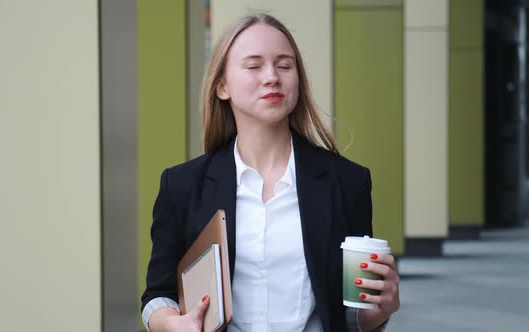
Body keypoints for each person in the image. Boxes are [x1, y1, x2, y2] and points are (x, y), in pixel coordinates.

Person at [141, 13, 400, 332]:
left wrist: (380, 310)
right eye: (253, 66)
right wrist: (173, 325)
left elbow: (350, 313)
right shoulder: (181, 186)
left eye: (284, 65)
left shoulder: (347, 182)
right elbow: (157, 296)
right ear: (222, 85)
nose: (272, 77)